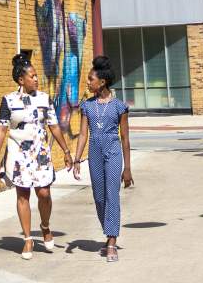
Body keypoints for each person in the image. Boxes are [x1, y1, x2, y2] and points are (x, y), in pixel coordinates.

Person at [0, 54, 73, 259]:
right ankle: (28, 239)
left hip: (40, 153)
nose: (36, 79)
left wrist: (65, 150)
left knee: (44, 193)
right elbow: (1, 130)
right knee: (23, 195)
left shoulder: (45, 99)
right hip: (18, 153)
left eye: (37, 76)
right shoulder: (8, 100)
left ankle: (45, 227)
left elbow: (54, 126)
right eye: (32, 76)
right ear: (21, 80)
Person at [73, 55, 133, 263]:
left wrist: (128, 169)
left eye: (91, 79)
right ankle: (108, 229)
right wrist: (76, 159)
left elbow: (125, 139)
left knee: (111, 195)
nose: (88, 83)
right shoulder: (87, 106)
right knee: (99, 197)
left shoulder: (119, 107)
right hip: (95, 152)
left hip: (113, 150)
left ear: (102, 81)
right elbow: (82, 134)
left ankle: (111, 241)